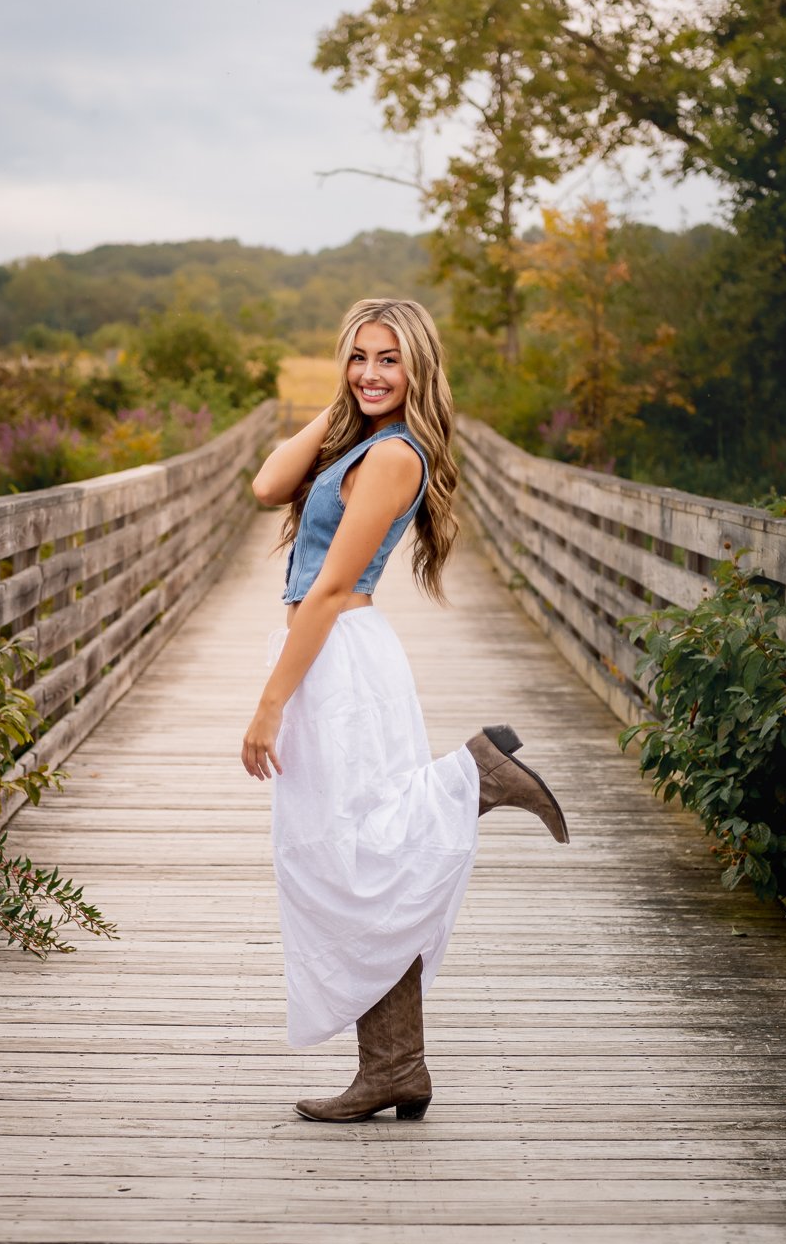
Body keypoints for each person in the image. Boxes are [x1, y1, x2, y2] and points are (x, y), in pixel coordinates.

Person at [241, 297, 568, 1124]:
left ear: (419, 366)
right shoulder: (363, 436)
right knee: (356, 862)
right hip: (342, 659)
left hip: (338, 661)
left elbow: (332, 589)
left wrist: (269, 704)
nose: (370, 373)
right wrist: (347, 400)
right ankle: (396, 1068)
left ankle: (474, 777)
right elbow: (266, 483)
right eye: (358, 357)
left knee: (343, 857)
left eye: (390, 359)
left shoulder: (392, 459)